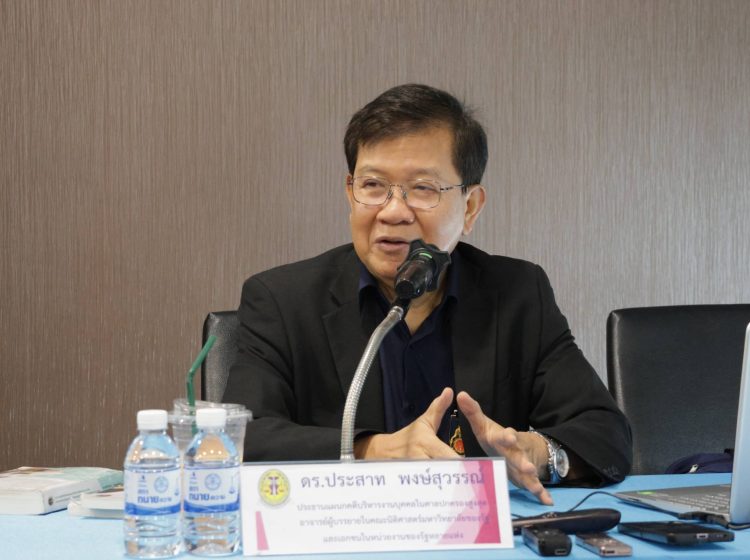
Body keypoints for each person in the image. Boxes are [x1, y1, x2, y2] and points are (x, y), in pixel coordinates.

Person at [223, 84, 632, 504]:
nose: (393, 211)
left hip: (477, 530)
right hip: (344, 526)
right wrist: (372, 451)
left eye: (422, 189)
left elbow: (607, 434)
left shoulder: (517, 294)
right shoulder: (283, 300)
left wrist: (539, 453)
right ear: (350, 193)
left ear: (470, 207)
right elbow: (240, 438)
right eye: (373, 185)